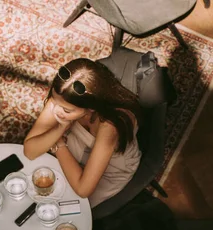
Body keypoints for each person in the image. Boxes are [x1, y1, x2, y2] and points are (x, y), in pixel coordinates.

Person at [23, 58, 142, 208]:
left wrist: (58, 143)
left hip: (111, 169)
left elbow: (83, 189)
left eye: (66, 110)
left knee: (62, 205)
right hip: (77, 147)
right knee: (35, 182)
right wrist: (60, 128)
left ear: (91, 107)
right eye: (54, 101)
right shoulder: (64, 96)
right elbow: (29, 151)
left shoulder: (109, 126)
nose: (56, 111)